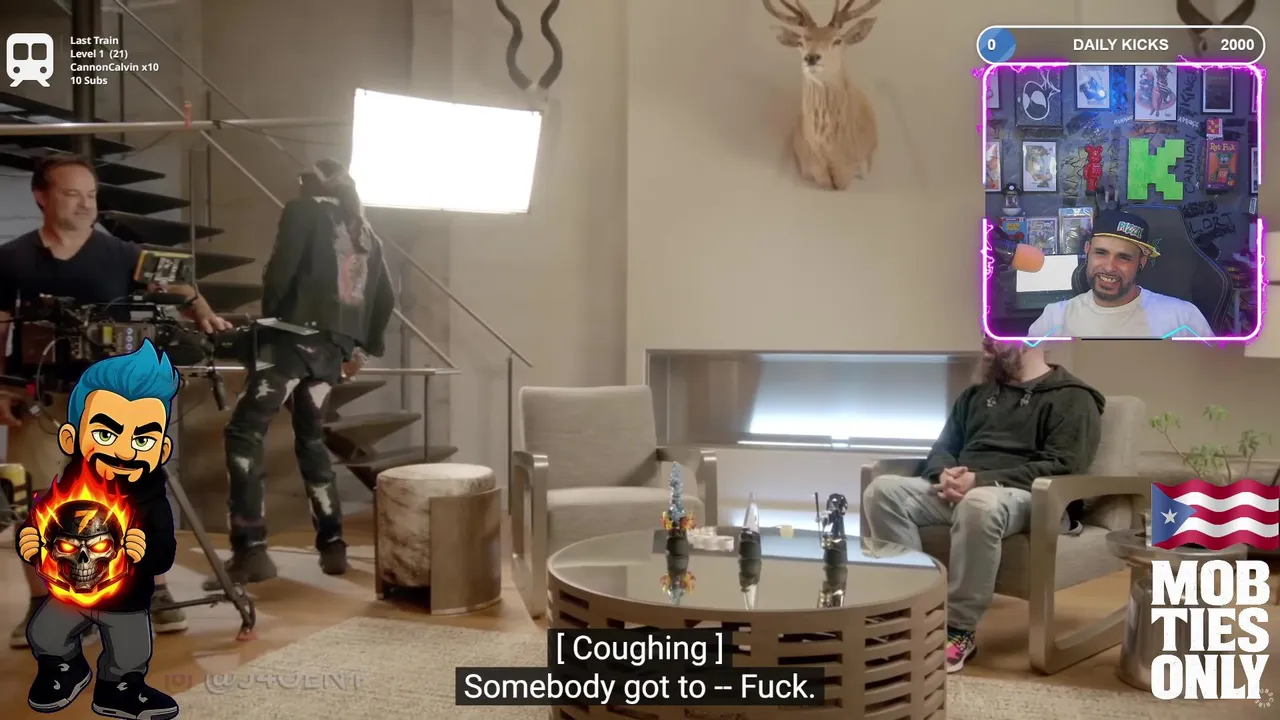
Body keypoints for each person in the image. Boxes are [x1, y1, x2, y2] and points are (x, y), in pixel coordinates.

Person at [0, 153, 232, 648]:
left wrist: (204, 315)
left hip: (118, 403)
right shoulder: (13, 258)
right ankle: (44, 603)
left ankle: (154, 591)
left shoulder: (123, 254)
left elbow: (180, 284)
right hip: (40, 398)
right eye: (72, 194)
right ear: (41, 196)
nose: (85, 204)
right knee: (35, 500)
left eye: (91, 195)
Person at [861, 338, 1103, 673]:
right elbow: (944, 447)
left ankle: (958, 628)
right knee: (882, 492)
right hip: (967, 491)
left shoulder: (1074, 397)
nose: (988, 343)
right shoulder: (975, 395)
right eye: (987, 336)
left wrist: (980, 481)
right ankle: (911, 612)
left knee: (979, 503)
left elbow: (1065, 465)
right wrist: (943, 473)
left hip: (1034, 498)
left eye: (998, 336)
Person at [216, 158, 395, 585]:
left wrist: (270, 322)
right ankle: (333, 545)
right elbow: (386, 297)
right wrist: (361, 348)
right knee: (311, 440)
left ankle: (250, 548)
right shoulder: (367, 232)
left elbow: (281, 273)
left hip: (291, 341)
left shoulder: (303, 211)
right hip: (331, 352)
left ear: (309, 182)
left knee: (243, 433)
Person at [17, 340, 181, 718]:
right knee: (44, 634)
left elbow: (164, 553)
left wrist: (147, 551)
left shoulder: (152, 500)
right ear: (71, 438)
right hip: (68, 594)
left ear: (161, 449)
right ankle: (63, 668)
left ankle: (118, 689)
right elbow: (42, 517)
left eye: (142, 439)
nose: (124, 451)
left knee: (130, 653)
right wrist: (30, 537)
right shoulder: (70, 482)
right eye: (106, 435)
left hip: (126, 602)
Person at [1028, 209, 1213, 338]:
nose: (1109, 267)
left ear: (1142, 261)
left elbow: (1216, 374)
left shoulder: (1184, 319)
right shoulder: (1054, 319)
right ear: (1087, 250)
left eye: (1123, 258)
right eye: (1101, 253)